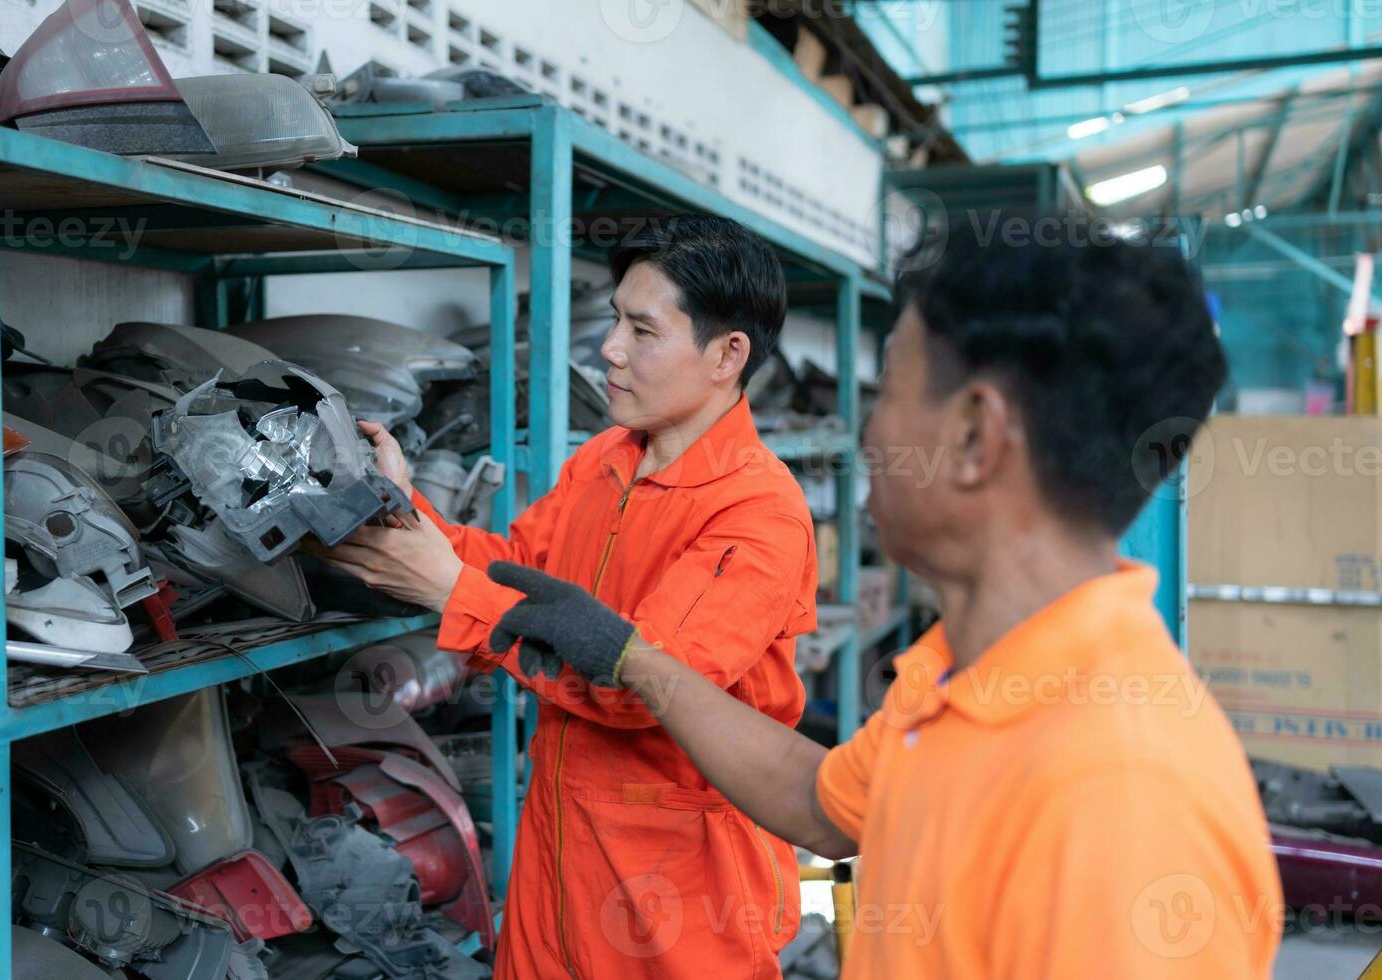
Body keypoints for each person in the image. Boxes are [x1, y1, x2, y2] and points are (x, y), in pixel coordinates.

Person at [479, 218, 1284, 978]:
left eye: (891, 388)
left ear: (975, 437)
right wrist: (636, 660)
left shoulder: (1123, 795)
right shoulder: (960, 679)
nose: (865, 435)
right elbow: (817, 802)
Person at [320, 214, 818, 978]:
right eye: (615, 319)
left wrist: (450, 588)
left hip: (677, 900)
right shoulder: (607, 459)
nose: (609, 349)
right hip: (557, 866)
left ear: (728, 354)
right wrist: (404, 510)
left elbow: (646, 685)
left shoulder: (755, 514)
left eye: (641, 330)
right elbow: (516, 568)